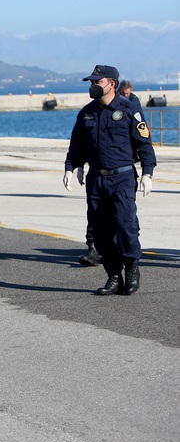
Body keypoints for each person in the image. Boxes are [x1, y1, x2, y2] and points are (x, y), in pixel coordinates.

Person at [64, 65, 156, 296]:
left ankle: (132, 268)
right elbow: (77, 145)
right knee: (100, 231)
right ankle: (113, 276)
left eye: (98, 81)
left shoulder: (128, 110)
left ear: (111, 84)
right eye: (91, 82)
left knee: (125, 226)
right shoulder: (86, 112)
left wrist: (147, 173)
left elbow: (144, 143)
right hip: (96, 179)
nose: (93, 86)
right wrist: (71, 167)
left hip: (122, 177)